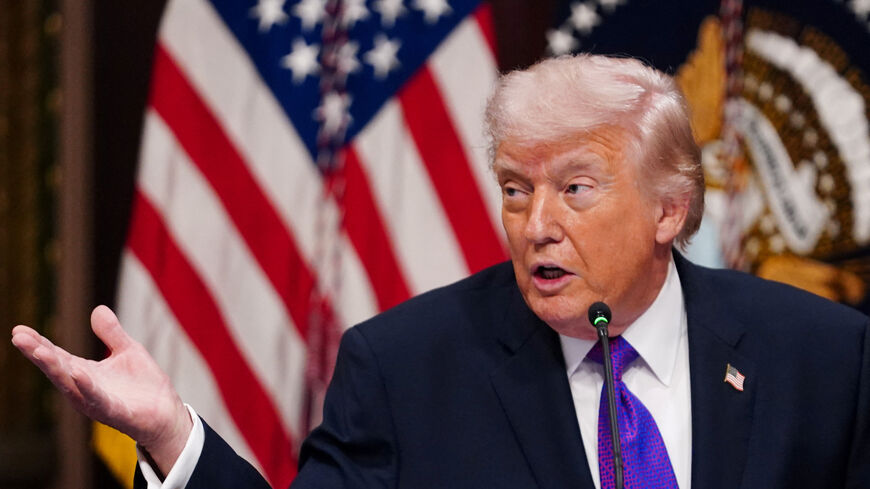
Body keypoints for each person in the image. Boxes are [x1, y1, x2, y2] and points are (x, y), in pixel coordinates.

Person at [12, 54, 870, 489]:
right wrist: (171, 436)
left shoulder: (822, 355)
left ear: (669, 210)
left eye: (575, 189)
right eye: (514, 189)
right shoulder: (408, 367)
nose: (538, 225)